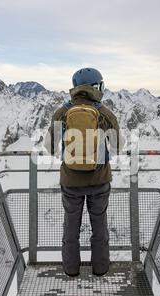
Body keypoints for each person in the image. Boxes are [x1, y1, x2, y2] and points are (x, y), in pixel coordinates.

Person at [45, 67, 122, 277]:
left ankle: (71, 270)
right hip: (100, 181)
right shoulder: (105, 113)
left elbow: (49, 147)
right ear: (97, 87)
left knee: (71, 229)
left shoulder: (62, 112)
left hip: (70, 181)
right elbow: (117, 148)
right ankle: (100, 269)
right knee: (100, 229)